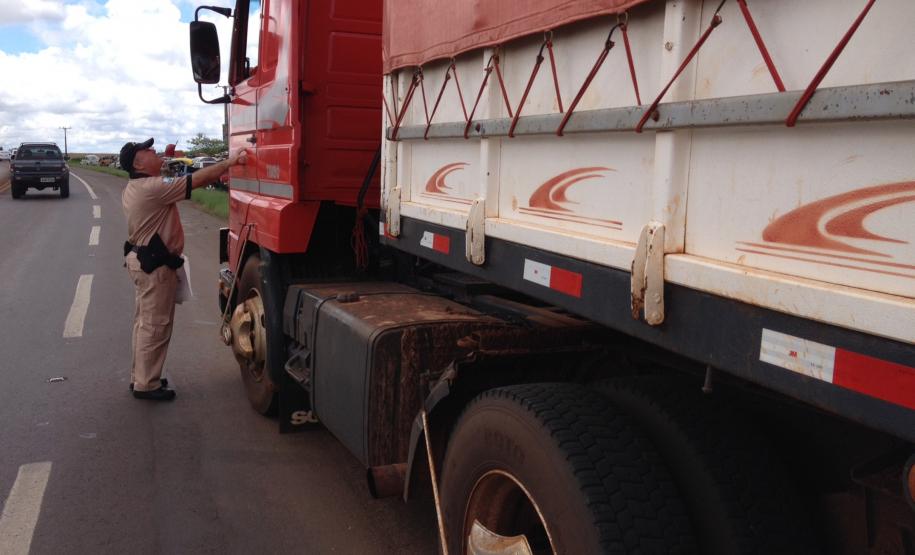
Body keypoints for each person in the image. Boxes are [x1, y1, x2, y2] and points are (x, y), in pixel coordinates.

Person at [120, 138, 247, 400]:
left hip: (142, 260)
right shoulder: (153, 187)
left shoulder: (136, 186)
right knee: (156, 324)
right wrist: (230, 162)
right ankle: (147, 384)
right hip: (154, 266)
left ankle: (141, 377)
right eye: (148, 150)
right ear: (138, 162)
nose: (155, 152)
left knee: (144, 323)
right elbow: (196, 181)